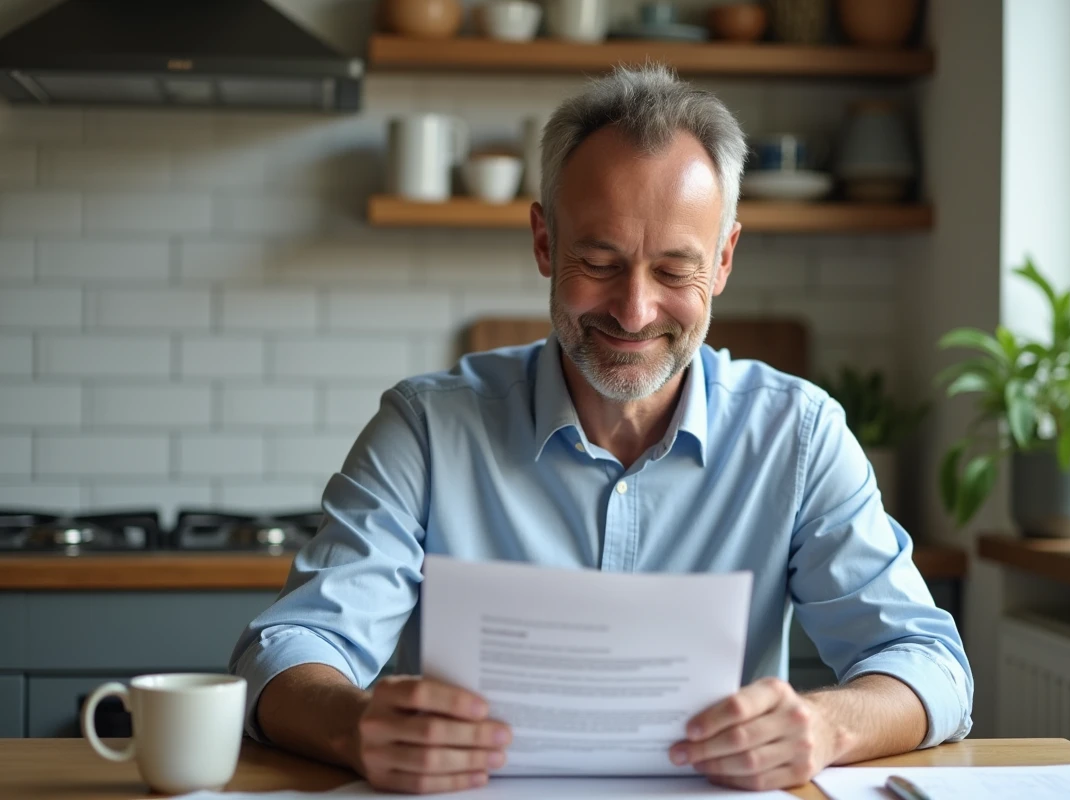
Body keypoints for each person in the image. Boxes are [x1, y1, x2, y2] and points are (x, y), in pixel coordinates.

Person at [229, 63, 973, 795]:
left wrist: (824, 727)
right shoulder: (426, 428)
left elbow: (929, 664)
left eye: (675, 270)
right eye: (600, 260)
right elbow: (285, 648)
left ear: (723, 261)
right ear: (545, 242)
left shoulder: (799, 437)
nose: (634, 310)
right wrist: (352, 723)